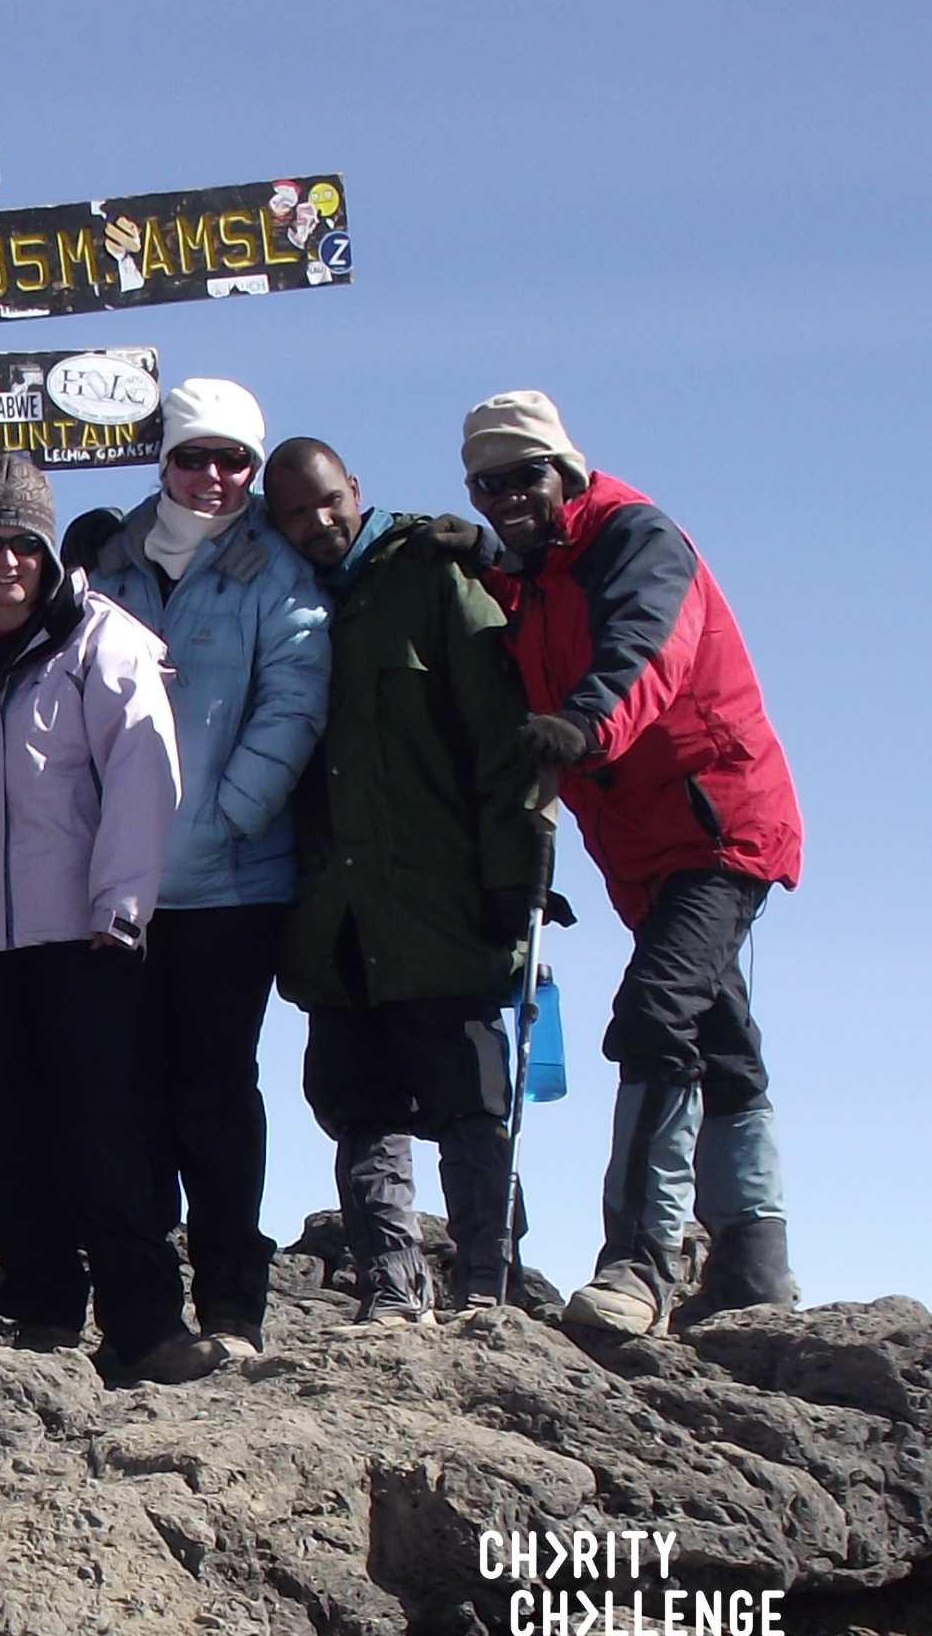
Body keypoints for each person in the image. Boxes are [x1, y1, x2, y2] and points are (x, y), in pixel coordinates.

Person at [458, 392, 804, 1335]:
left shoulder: (636, 538)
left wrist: (583, 724)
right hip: (648, 850)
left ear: (563, 469)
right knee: (718, 1036)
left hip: (718, 829)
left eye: (522, 476)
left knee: (655, 1017)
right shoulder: (539, 570)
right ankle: (755, 1265)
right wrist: (485, 564)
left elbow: (644, 645)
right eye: (486, 484)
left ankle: (640, 1265)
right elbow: (543, 607)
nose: (505, 497)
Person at [0, 455, 214, 1381]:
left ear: (49, 550)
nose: (7, 561)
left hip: (82, 936)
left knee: (99, 1130)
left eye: (24, 543)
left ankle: (146, 1323)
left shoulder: (106, 645)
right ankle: (41, 1307)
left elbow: (144, 775)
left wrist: (120, 907)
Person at [263, 438, 539, 1321]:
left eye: (329, 501)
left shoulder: (432, 576)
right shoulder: (278, 597)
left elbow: (506, 740)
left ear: (356, 488)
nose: (318, 523)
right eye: (296, 513)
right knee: (357, 1096)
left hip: (440, 899)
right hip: (331, 909)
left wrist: (516, 874)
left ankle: (487, 1286)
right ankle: (390, 1278)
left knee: (469, 1094)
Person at [87, 378, 331, 1355]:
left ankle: (234, 1302)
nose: (215, 476)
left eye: (234, 458)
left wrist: (224, 817)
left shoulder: (275, 567)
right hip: (127, 884)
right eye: (195, 456)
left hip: (233, 883)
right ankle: (145, 1315)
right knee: (133, 1091)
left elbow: (295, 700)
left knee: (217, 1091)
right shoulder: (110, 556)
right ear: (164, 460)